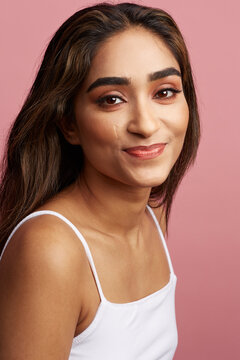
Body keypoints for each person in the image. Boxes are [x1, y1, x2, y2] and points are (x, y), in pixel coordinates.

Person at [0, 2, 200, 359]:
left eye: (165, 92)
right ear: (69, 124)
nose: (146, 124)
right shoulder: (50, 250)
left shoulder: (152, 215)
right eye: (112, 99)